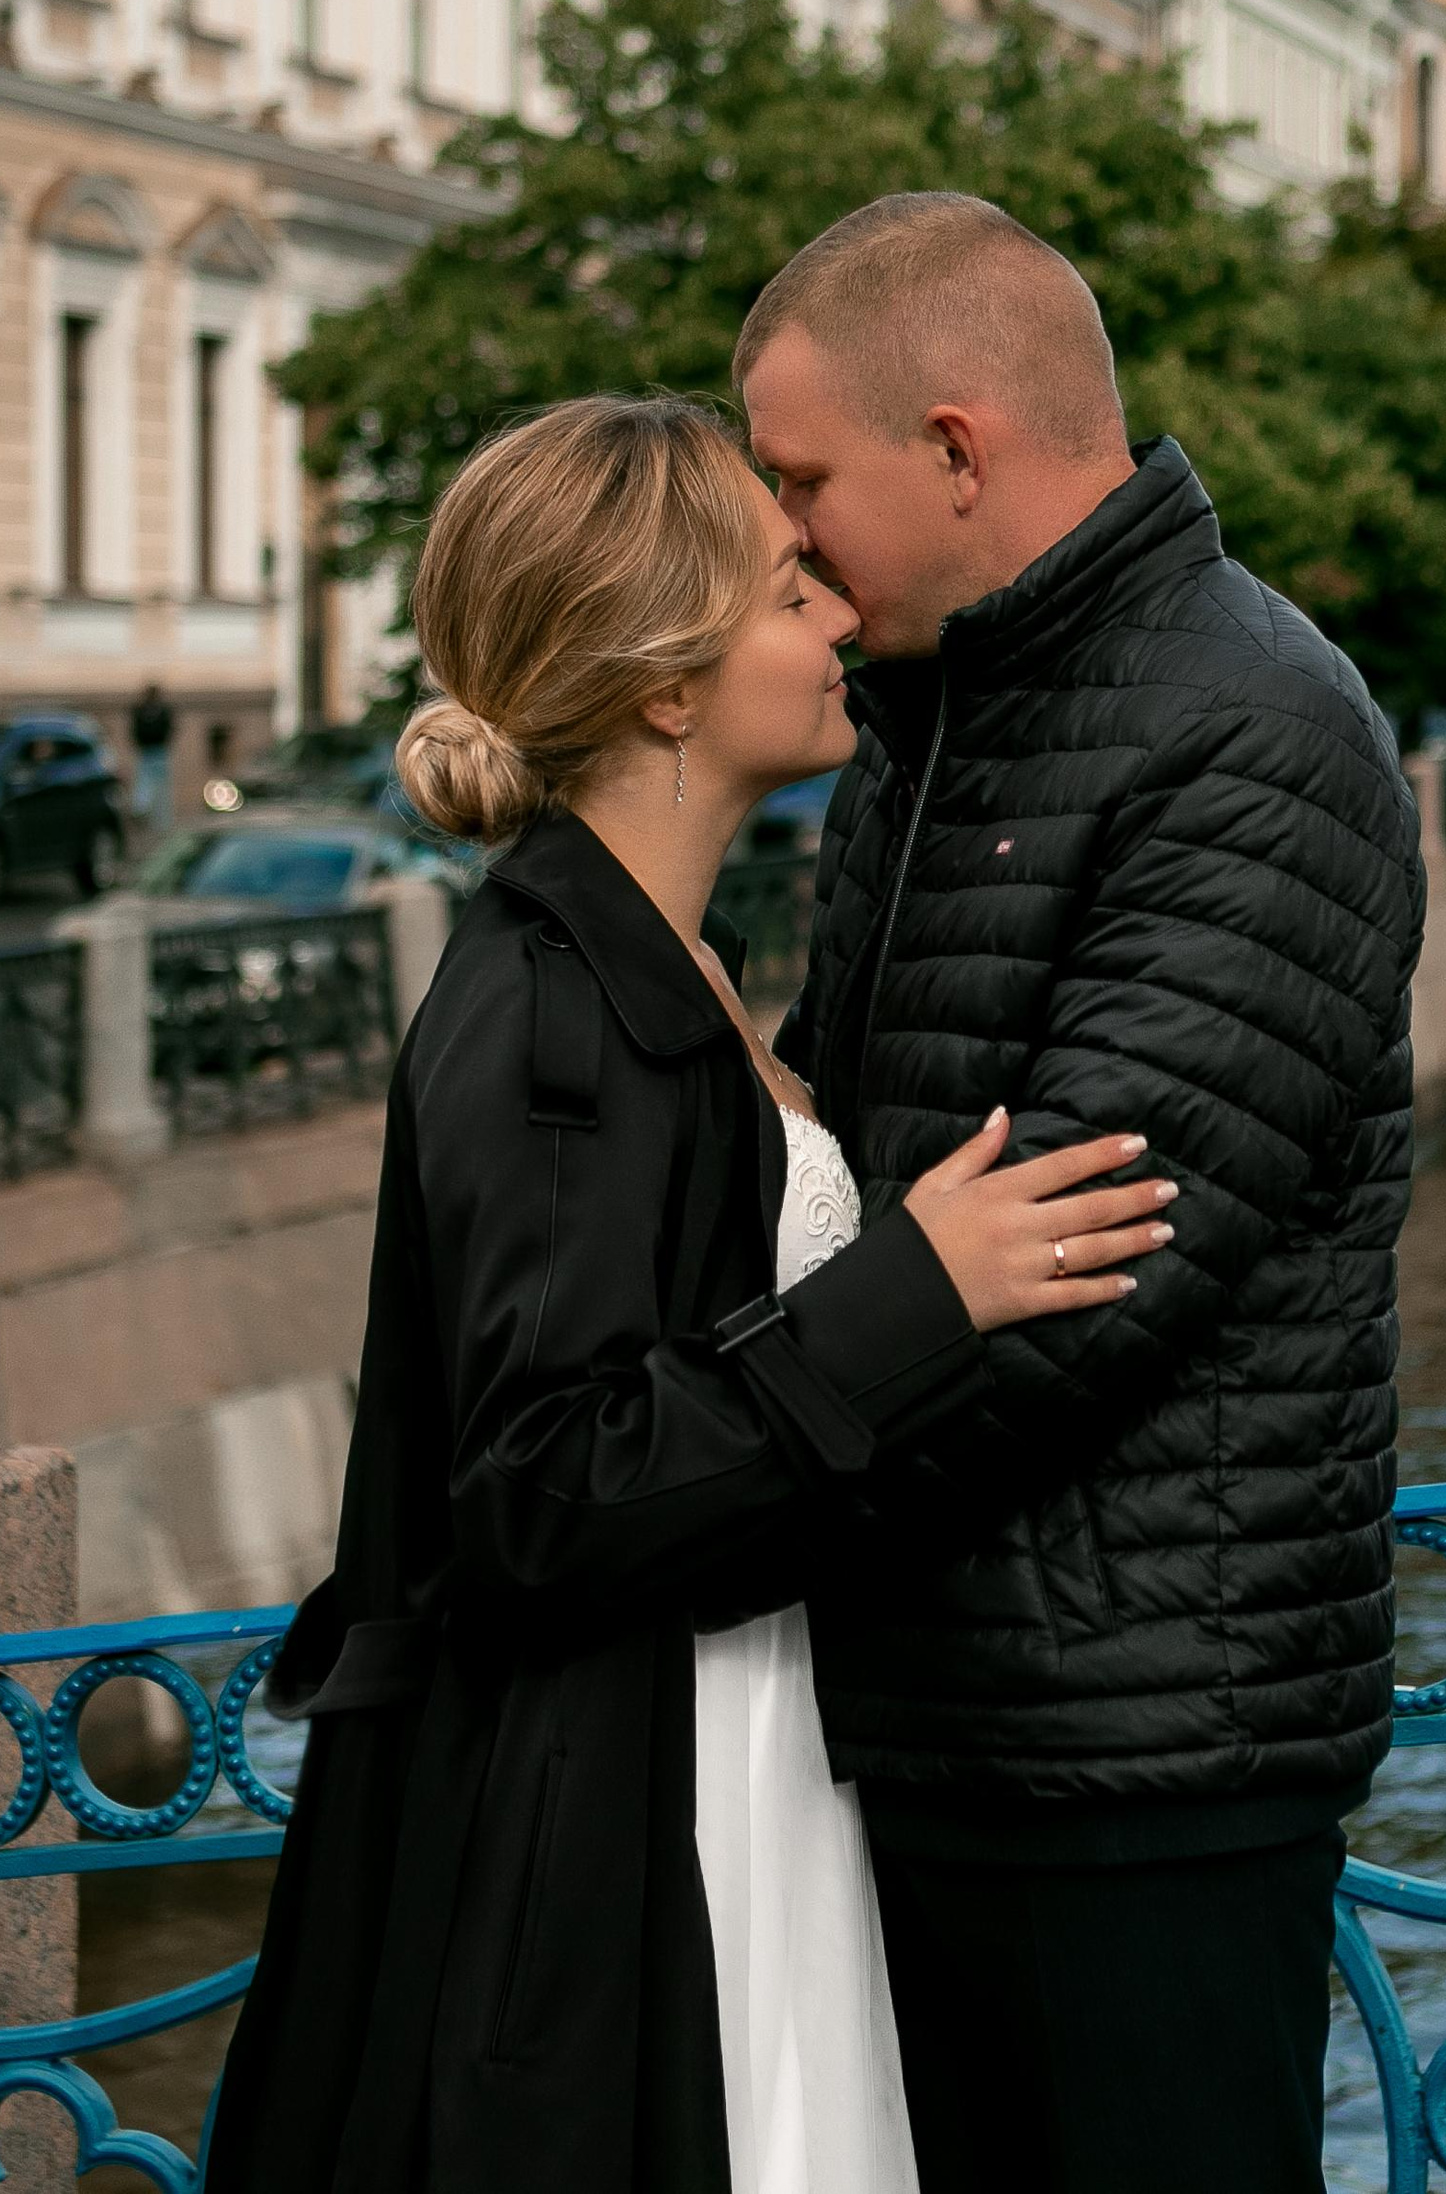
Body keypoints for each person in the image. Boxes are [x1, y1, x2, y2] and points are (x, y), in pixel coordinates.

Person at [203, 396, 1178, 2194]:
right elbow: (540, 1491)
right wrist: (917, 1293)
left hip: (751, 1750)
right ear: (664, 685)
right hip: (636, 1813)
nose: (830, 616)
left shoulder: (657, 969)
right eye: (784, 588)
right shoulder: (545, 1015)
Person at [738, 193, 1428, 2194]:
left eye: (803, 479)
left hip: (1139, 1748)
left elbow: (1072, 1280)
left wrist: (716, 1480)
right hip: (942, 1707)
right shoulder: (931, 715)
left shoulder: (1257, 723)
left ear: (954, 450)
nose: (782, 534)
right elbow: (863, 1189)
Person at [130, 681, 174, 833]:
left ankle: (161, 822)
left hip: (158, 751)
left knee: (160, 788)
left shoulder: (162, 711)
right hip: (148, 752)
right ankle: (142, 809)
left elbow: (169, 729)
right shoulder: (141, 710)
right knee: (145, 783)